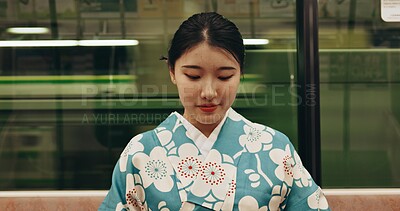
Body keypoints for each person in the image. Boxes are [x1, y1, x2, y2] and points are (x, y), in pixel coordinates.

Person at [99, 12, 330, 211]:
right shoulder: (140, 153)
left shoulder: (276, 149)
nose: (209, 92)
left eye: (224, 76)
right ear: (171, 72)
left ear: (241, 73)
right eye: (193, 76)